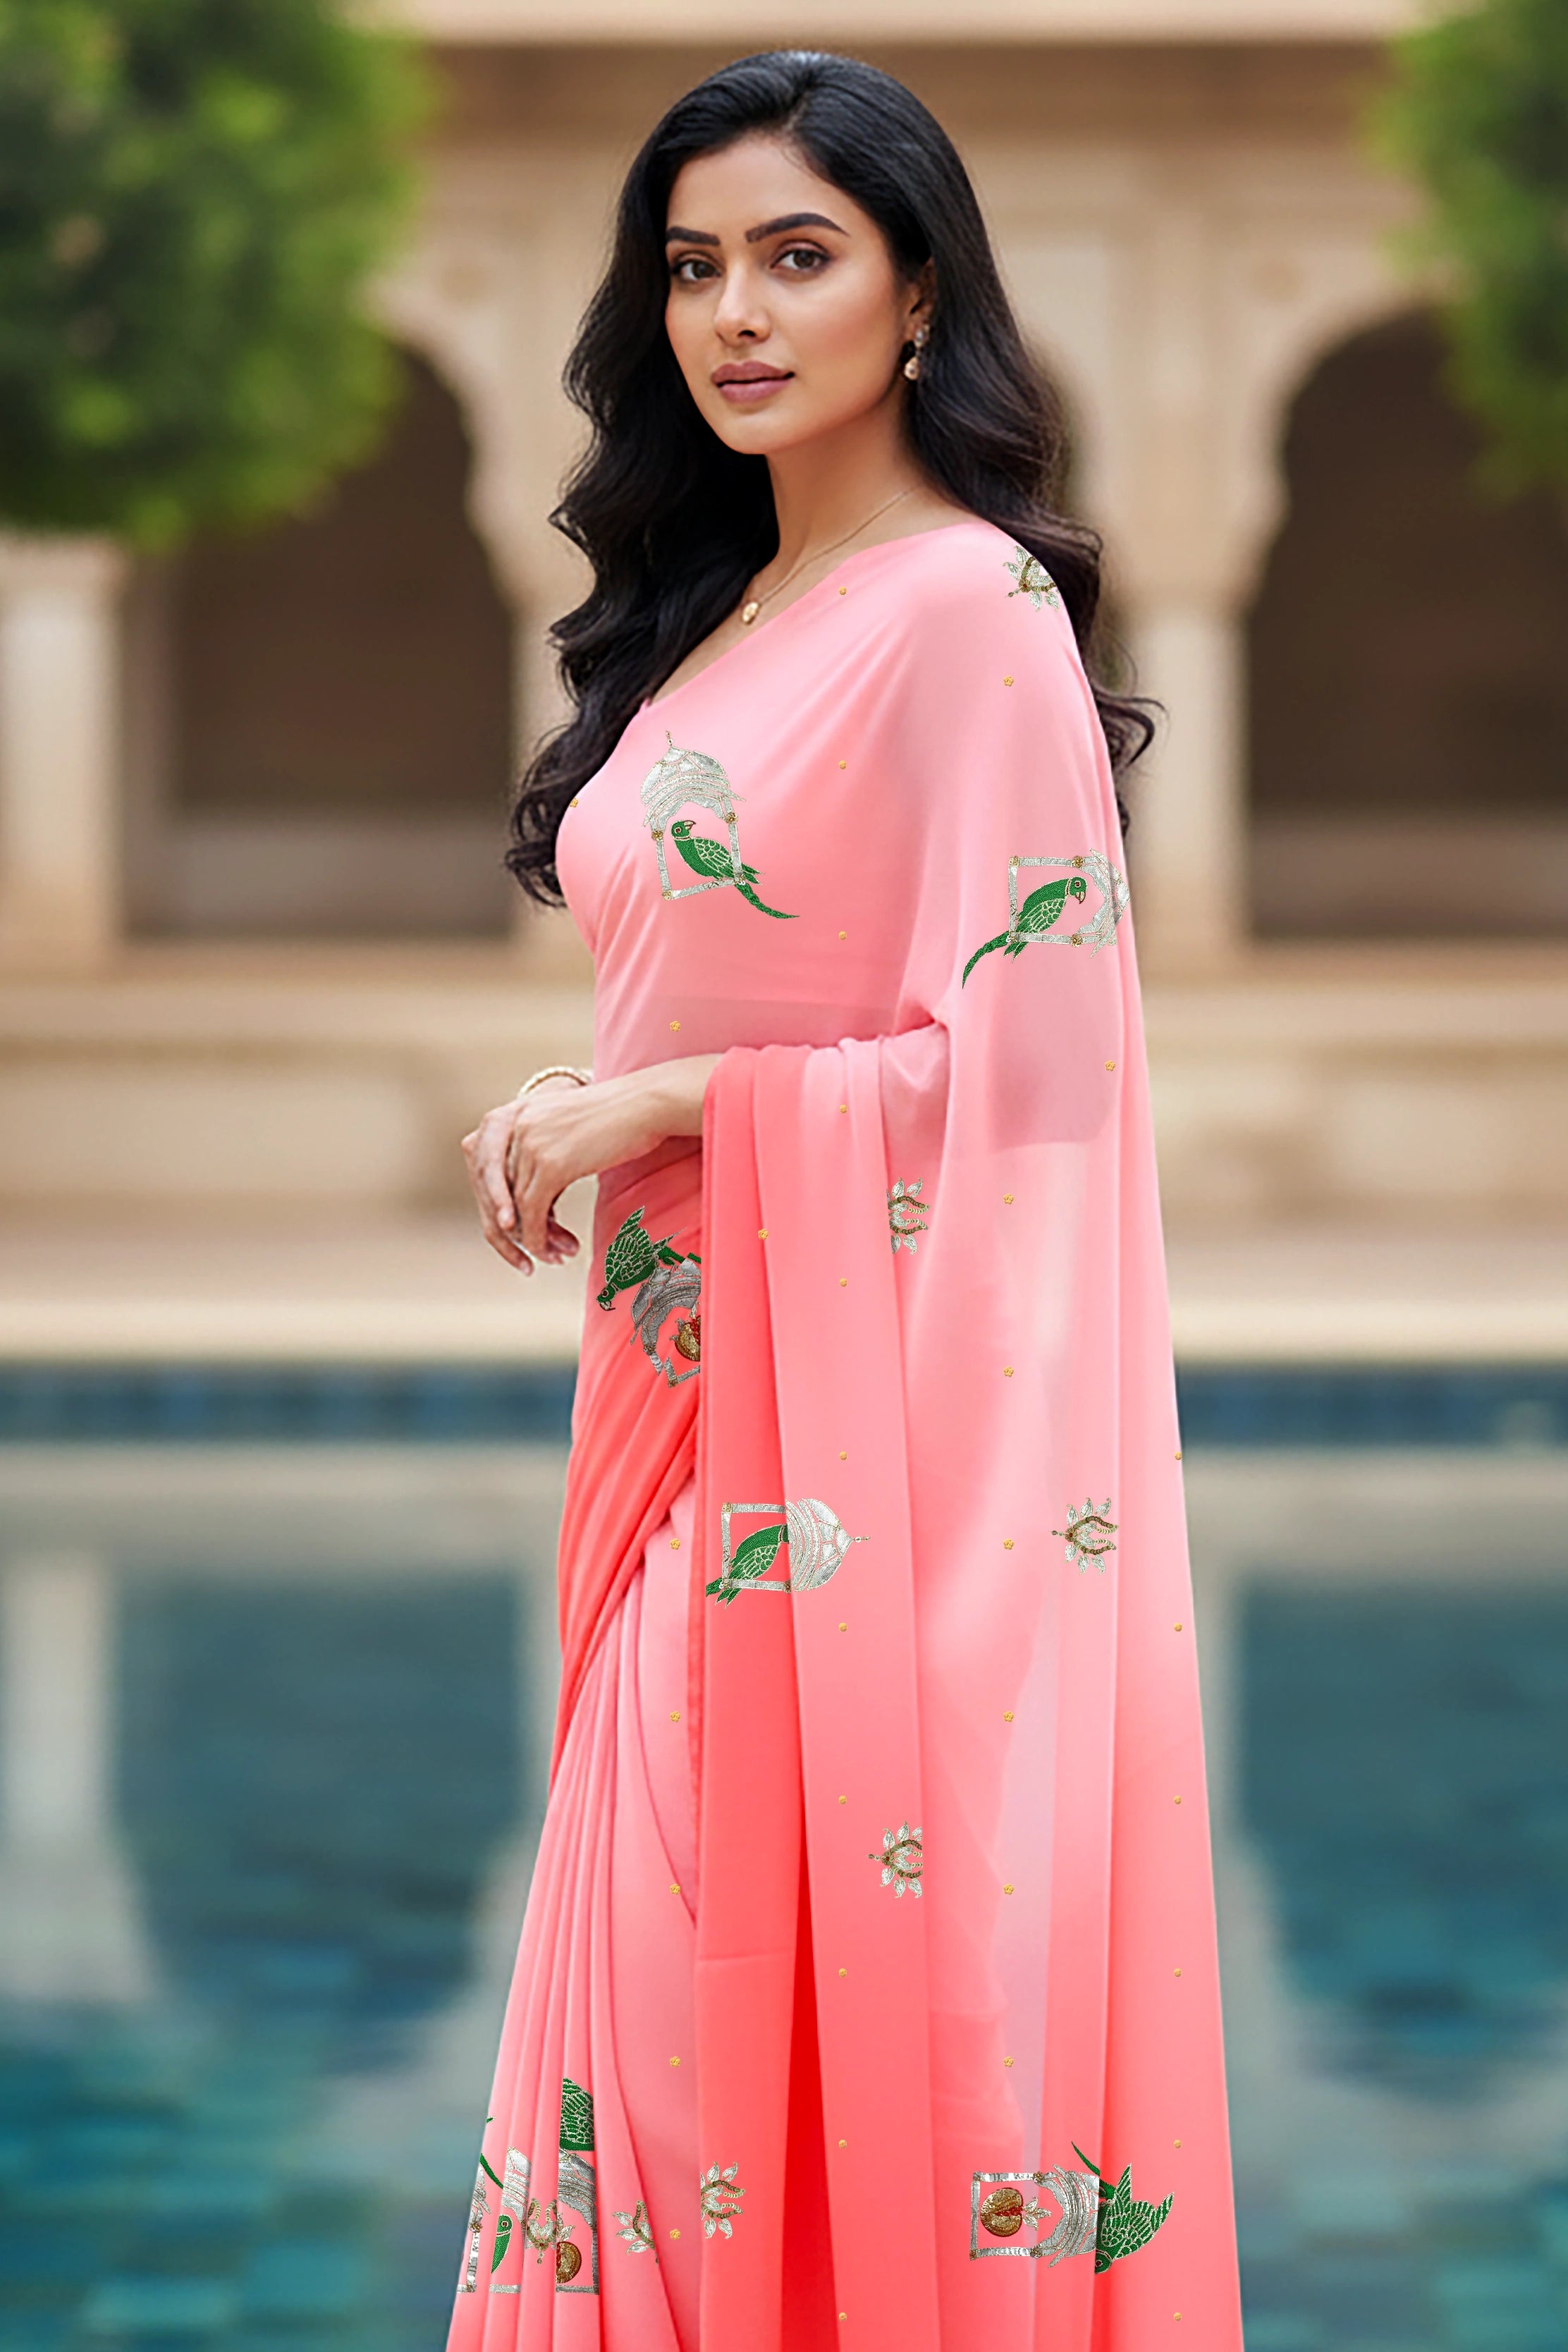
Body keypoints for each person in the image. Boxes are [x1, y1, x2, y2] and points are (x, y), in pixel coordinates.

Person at [450, 49, 1241, 2352]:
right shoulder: (729, 607)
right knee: (640, 2067)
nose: (736, 314)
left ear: (918, 297)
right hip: (688, 1422)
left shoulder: (965, 603)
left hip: (848, 1476)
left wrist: (675, 1098)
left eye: (799, 258)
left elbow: (1041, 1071)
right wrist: (605, 1092)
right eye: (694, 266)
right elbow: (739, 975)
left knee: (712, 2060)